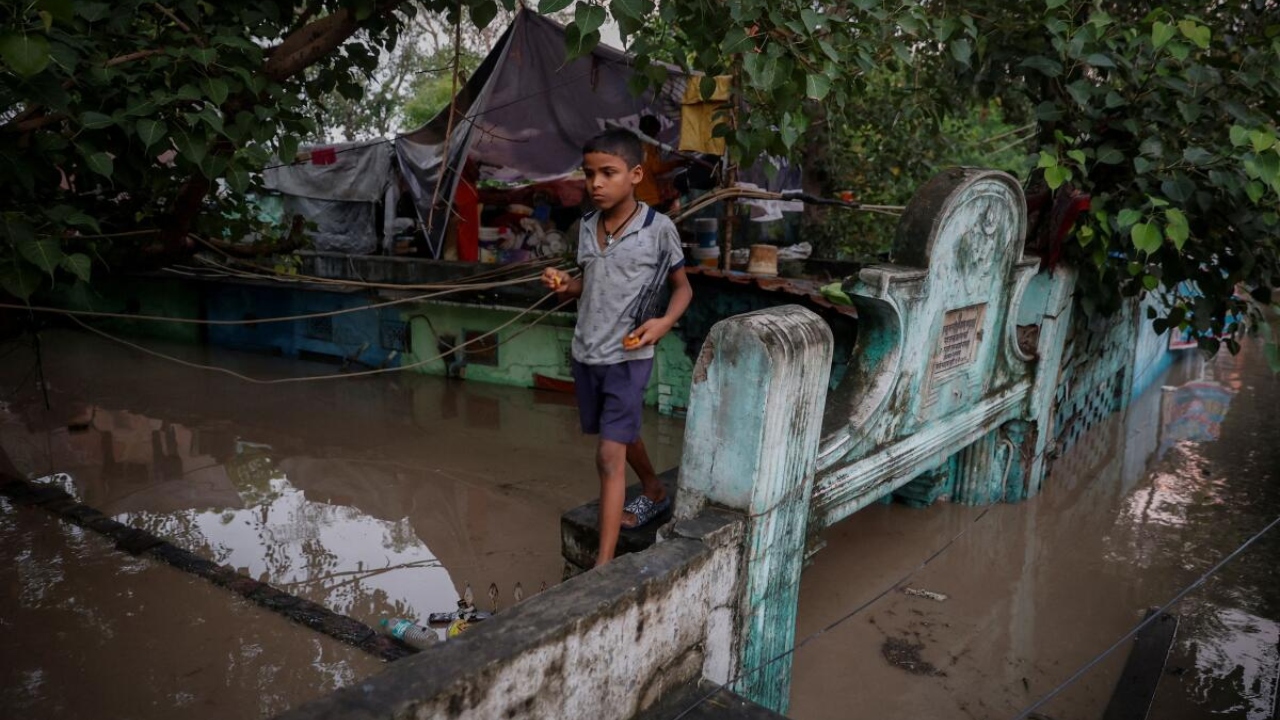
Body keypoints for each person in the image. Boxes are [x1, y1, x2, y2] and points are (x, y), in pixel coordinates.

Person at [541, 128, 693, 567]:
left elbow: (682, 289)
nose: (596, 184)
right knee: (620, 431)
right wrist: (563, 284)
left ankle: (602, 568)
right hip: (586, 353)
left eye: (608, 173)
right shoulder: (586, 227)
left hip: (629, 355)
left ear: (635, 175)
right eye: (589, 174)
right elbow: (590, 283)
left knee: (608, 456)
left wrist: (662, 324)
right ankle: (654, 489)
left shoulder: (658, 229)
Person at [634, 114, 685, 213]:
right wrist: (677, 163)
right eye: (656, 131)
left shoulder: (634, 145)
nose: (656, 134)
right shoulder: (649, 146)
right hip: (649, 197)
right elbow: (656, 168)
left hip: (637, 198)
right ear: (654, 130)